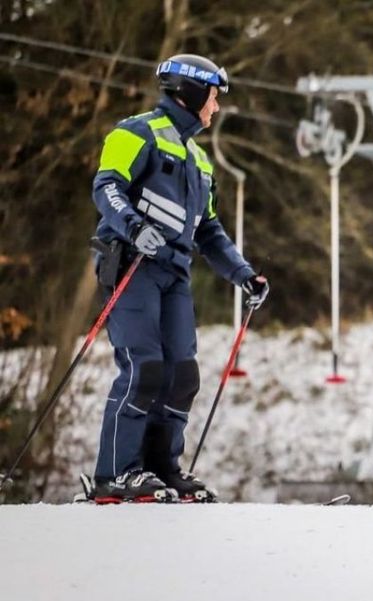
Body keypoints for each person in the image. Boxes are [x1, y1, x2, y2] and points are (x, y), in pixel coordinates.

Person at [89, 54, 269, 503]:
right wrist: (133, 226)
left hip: (174, 273)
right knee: (143, 366)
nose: (217, 107)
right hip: (133, 264)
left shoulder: (200, 161)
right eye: (213, 97)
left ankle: (161, 469)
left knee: (182, 374)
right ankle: (115, 475)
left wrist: (243, 275)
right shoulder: (135, 132)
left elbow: (208, 230)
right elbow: (106, 186)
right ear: (190, 92)